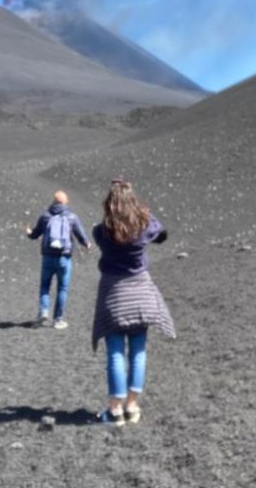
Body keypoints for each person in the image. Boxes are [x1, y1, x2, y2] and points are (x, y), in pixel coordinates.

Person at [91, 179, 174, 426]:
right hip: (141, 294)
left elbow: (105, 230)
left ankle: (114, 411)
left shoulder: (100, 232)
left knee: (115, 352)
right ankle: (132, 406)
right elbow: (163, 235)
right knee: (138, 351)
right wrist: (146, 214)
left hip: (114, 295)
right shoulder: (145, 227)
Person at [24, 190, 92, 329]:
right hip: (64, 258)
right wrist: (87, 244)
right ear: (66, 202)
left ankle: (43, 312)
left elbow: (35, 234)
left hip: (48, 257)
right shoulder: (72, 217)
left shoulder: (45, 216)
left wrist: (28, 233)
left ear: (54, 201)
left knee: (45, 286)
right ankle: (58, 320)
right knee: (62, 288)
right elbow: (81, 236)